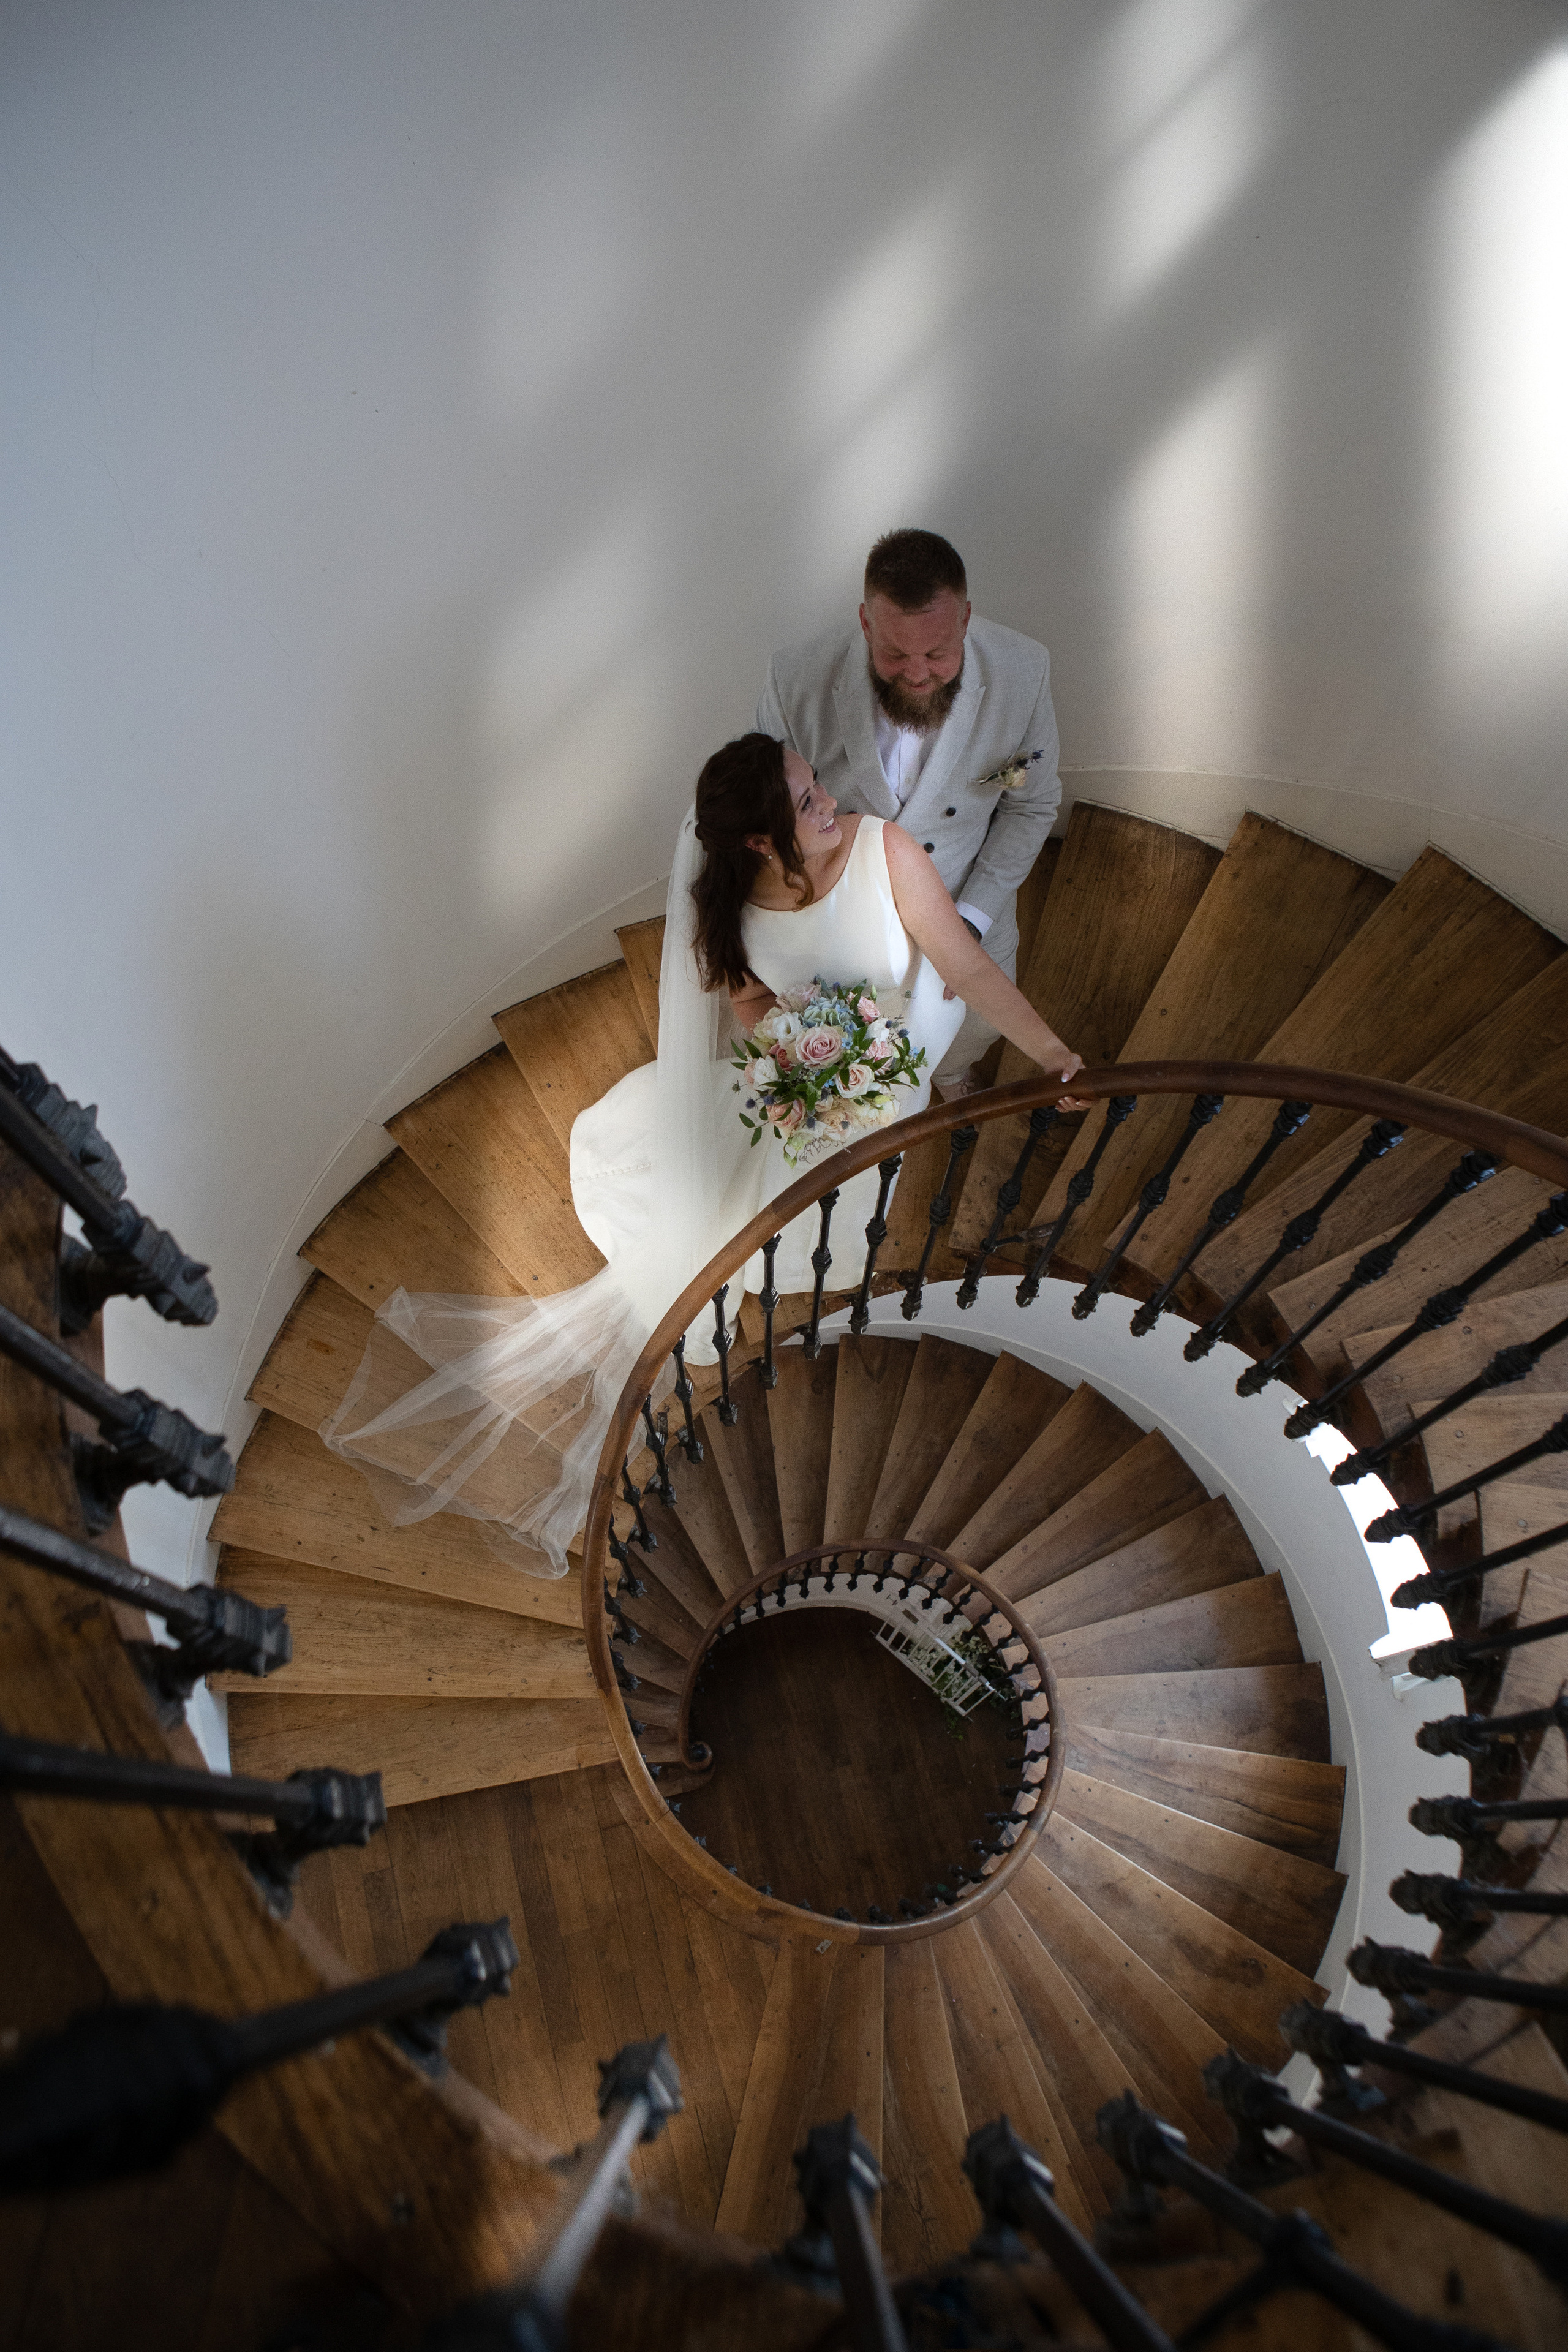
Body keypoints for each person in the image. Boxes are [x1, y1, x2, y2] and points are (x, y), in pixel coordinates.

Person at [322, 734, 1082, 1581]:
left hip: (900, 1043)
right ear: (759, 843)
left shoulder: (884, 852)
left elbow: (965, 967)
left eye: (812, 785)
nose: (828, 802)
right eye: (803, 802)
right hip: (818, 1076)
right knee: (782, 1197)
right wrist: (795, 1058)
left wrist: (1052, 1056)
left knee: (851, 1167)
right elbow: (752, 998)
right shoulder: (731, 908)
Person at [757, 527, 1062, 1095]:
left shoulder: (1025, 671)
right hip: (847, 923)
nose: (918, 674)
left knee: (974, 1031)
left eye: (938, 653)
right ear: (866, 623)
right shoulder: (794, 678)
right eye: (895, 653)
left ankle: (951, 1077)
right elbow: (770, 812)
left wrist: (970, 920)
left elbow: (1032, 805)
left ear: (966, 620)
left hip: (968, 901)